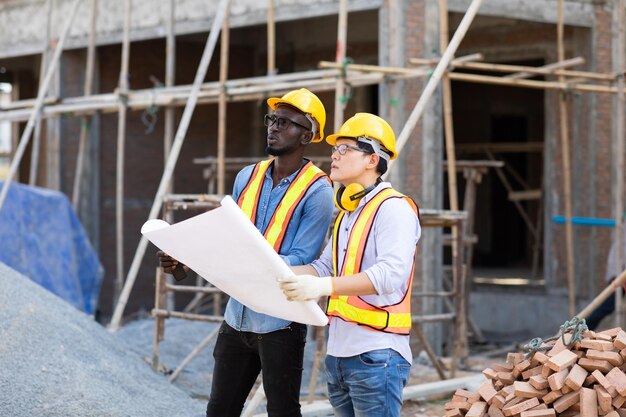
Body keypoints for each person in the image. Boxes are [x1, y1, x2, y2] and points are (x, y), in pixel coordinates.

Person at [158, 88, 334, 417]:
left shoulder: (319, 191)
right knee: (220, 410)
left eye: (286, 122)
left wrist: (241, 259)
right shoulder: (247, 177)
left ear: (307, 135)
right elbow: (229, 239)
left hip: (280, 324)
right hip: (236, 319)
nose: (274, 127)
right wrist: (186, 260)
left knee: (282, 412)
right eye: (272, 119)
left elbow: (301, 260)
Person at [278, 113, 421, 417]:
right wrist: (274, 269)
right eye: (334, 149)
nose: (334, 155)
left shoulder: (393, 209)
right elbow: (325, 268)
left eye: (345, 149)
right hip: (340, 355)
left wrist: (321, 287)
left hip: (376, 356)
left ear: (372, 159)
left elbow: (390, 275)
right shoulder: (348, 212)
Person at [586, 219, 626, 330]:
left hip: (620, 272)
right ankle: (584, 329)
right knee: (607, 306)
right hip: (619, 272)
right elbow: (622, 251)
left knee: (606, 306)